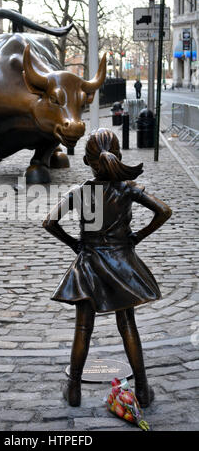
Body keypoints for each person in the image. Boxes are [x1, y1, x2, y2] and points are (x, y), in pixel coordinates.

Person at [43, 128, 172, 409]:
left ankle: (74, 388)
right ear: (118, 155)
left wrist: (74, 244)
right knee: (128, 326)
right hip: (122, 265)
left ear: (88, 161)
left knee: (82, 328)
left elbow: (49, 222)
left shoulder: (80, 192)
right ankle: (142, 388)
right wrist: (137, 236)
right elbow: (163, 211)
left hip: (88, 264)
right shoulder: (127, 188)